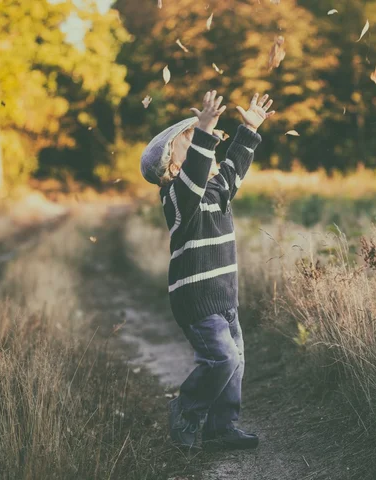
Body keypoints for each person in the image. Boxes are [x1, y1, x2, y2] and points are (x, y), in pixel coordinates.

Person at [140, 90, 275, 450]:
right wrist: (203, 129)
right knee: (222, 358)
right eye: (194, 143)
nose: (210, 146)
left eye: (208, 141)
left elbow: (233, 167)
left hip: (224, 295)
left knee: (235, 364)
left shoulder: (217, 190)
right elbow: (194, 177)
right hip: (197, 299)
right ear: (173, 168)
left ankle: (221, 428)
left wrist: (248, 129)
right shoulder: (177, 199)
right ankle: (186, 409)